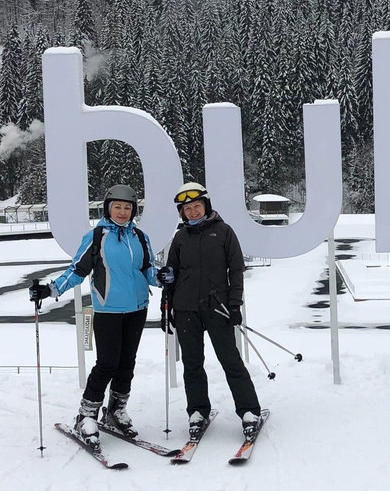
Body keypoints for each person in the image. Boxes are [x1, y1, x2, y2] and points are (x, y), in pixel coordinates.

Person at [28, 184, 160, 447]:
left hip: (137, 308)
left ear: (134, 211)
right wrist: (51, 289)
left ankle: (116, 411)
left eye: (127, 208)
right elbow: (78, 270)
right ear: (108, 208)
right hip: (108, 309)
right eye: (117, 207)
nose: (122, 212)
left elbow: (148, 270)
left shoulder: (140, 237)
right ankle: (86, 415)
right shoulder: (97, 236)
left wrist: (165, 277)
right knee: (107, 364)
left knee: (127, 363)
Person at [161, 181, 262, 441]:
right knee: (192, 364)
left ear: (206, 206)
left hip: (217, 308)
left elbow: (236, 270)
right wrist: (166, 307)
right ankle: (197, 412)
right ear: (181, 213)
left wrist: (235, 304)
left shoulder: (224, 232)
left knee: (231, 361)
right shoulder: (180, 237)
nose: (192, 212)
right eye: (187, 209)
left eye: (197, 206)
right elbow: (170, 275)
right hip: (185, 310)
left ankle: (249, 411)